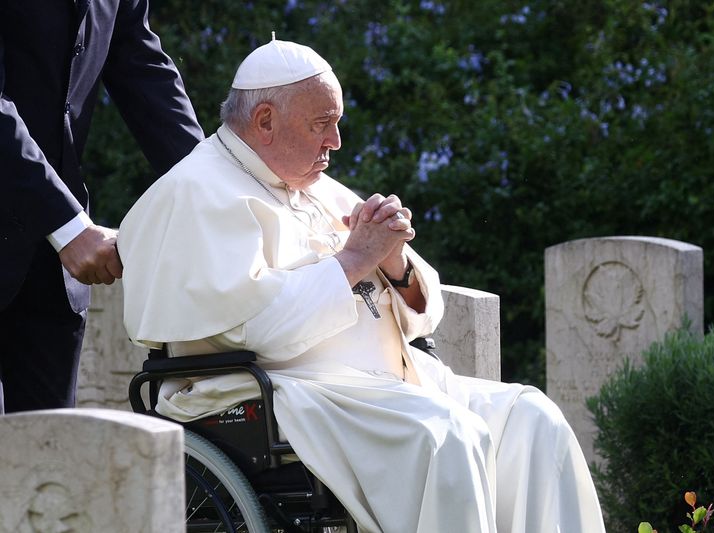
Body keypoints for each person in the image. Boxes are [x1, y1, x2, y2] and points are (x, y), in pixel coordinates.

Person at [118, 38, 605, 533]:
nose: (336, 141)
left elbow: (423, 314)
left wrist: (394, 262)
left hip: (385, 383)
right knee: (446, 436)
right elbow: (255, 327)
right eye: (321, 124)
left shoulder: (316, 185)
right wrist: (354, 259)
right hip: (281, 395)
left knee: (532, 418)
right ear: (264, 121)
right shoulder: (194, 191)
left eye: (336, 122)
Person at [0, 1, 204, 413]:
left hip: (49, 275)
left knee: (49, 464)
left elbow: (144, 69)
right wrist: (67, 226)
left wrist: (213, 190)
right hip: (56, 228)